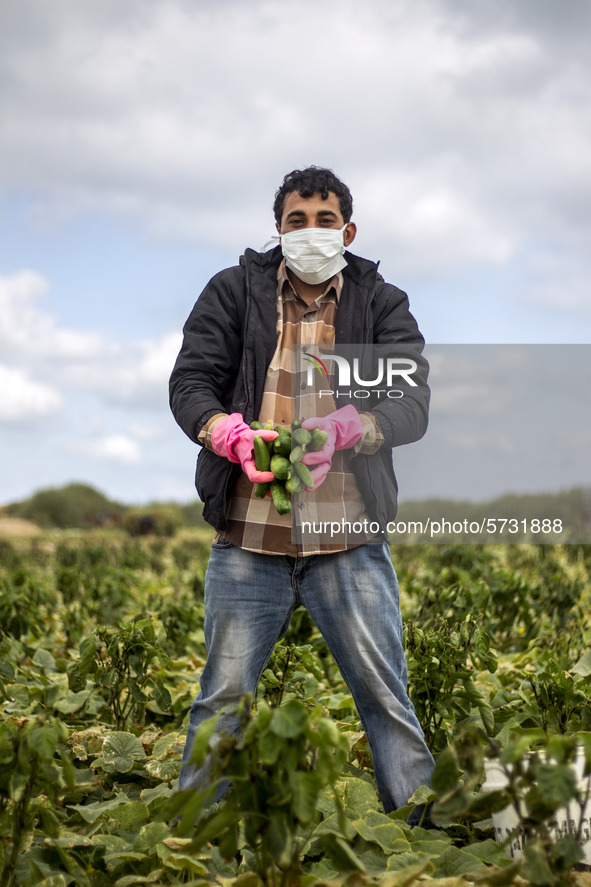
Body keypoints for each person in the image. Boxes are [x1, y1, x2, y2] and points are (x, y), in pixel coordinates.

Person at [169, 166, 434, 817]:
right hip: (248, 539)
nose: (309, 232)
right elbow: (190, 382)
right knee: (222, 695)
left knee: (384, 694)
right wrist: (224, 431)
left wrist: (354, 426)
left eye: (323, 221)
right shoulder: (233, 292)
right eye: (295, 220)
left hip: (347, 538)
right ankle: (192, 832)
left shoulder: (380, 302)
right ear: (278, 228)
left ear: (346, 229)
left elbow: (411, 402)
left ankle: (427, 824)